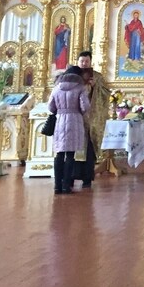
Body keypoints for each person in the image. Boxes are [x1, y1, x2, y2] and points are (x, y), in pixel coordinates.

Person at [48, 65, 91, 194]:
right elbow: (85, 106)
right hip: (74, 121)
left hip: (60, 120)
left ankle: (57, 185)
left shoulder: (56, 88)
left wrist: (60, 110)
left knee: (59, 154)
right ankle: (66, 185)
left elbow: (50, 107)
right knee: (70, 155)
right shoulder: (80, 88)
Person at [73, 51, 109, 188]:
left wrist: (95, 87)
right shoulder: (72, 76)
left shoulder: (98, 77)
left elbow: (105, 94)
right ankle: (73, 175)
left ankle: (87, 177)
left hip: (91, 118)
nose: (84, 64)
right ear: (78, 62)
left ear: (90, 62)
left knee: (88, 148)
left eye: (86, 61)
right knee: (74, 148)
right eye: (82, 61)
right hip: (76, 118)